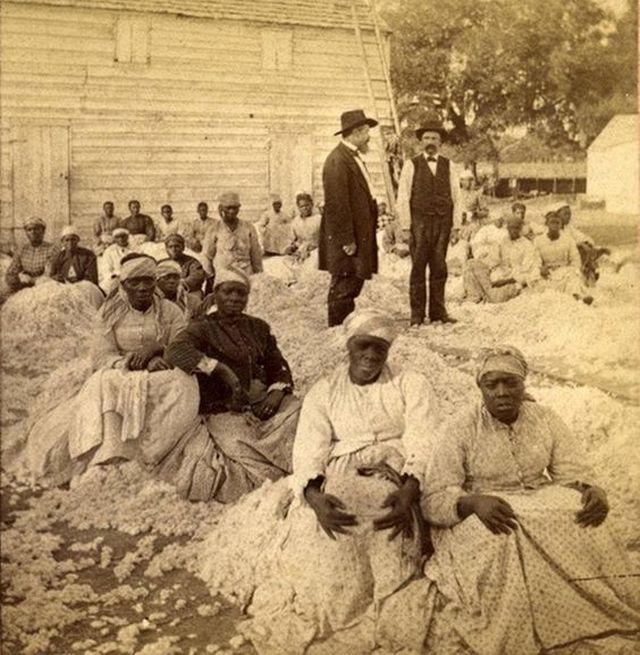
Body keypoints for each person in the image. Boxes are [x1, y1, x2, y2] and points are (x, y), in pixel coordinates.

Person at [200, 311, 441, 654]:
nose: (371, 355)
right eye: (363, 345)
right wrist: (313, 496)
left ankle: (386, 595)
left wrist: (409, 489)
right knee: (334, 530)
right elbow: (309, 449)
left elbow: (424, 438)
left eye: (380, 348)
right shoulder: (325, 391)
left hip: (398, 471)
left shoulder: (411, 383)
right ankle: (345, 602)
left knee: (386, 521)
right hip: (342, 472)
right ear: (349, 346)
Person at [421, 346, 640, 654]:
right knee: (500, 536)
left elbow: (573, 470)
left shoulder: (545, 418)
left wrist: (592, 489)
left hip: (536, 500)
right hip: (478, 512)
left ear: (524, 383)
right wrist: (473, 503)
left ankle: (581, 618)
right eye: (492, 384)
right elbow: (434, 498)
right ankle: (522, 630)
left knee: (588, 520)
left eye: (511, 383)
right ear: (479, 387)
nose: (502, 392)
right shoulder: (460, 427)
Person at [26, 255, 193, 487]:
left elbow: (184, 345)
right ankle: (112, 453)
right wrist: (136, 362)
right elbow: (102, 356)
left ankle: (156, 454)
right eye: (135, 282)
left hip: (161, 372)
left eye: (148, 280)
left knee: (183, 383)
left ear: (155, 282)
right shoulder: (109, 312)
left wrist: (157, 350)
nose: (143, 287)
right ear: (123, 286)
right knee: (105, 382)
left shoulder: (170, 310)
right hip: (121, 372)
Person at [166, 266, 300, 502]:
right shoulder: (203, 327)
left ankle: (300, 468)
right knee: (244, 449)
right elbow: (176, 350)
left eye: (241, 293)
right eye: (228, 292)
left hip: (262, 403)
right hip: (224, 409)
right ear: (215, 294)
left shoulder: (258, 327)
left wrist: (275, 395)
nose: (235, 298)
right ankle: (277, 482)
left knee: (299, 412)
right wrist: (218, 369)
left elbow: (277, 363)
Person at [396, 121, 462, 325]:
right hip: (419, 224)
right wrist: (406, 226)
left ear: (440, 142)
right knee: (418, 267)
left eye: (434, 138)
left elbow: (457, 197)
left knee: (439, 267)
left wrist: (456, 226)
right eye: (426, 138)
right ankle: (417, 314)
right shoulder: (411, 164)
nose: (430, 142)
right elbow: (403, 197)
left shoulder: (449, 165)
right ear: (421, 141)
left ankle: (438, 312)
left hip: (442, 223)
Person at [320, 109, 379, 327]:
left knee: (352, 285)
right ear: (356, 131)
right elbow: (336, 205)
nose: (369, 136)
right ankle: (337, 331)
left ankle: (344, 328)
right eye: (366, 132)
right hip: (348, 240)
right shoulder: (338, 160)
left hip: (357, 236)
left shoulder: (352, 158)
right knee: (344, 286)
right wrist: (347, 240)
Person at [464, 214, 541, 303]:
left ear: (520, 229)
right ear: (507, 228)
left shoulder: (527, 245)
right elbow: (493, 259)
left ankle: (485, 294)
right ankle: (477, 295)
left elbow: (527, 269)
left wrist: (505, 281)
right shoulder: (503, 241)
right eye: (510, 228)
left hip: (514, 278)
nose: (513, 231)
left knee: (496, 296)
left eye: (516, 228)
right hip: (500, 273)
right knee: (471, 264)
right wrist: (483, 265)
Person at [535, 211, 593, 304]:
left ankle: (577, 296)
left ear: (561, 224)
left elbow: (575, 259)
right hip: (547, 272)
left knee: (573, 275)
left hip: (564, 271)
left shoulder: (568, 240)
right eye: (552, 222)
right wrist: (540, 268)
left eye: (557, 223)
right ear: (547, 224)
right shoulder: (538, 240)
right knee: (535, 279)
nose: (554, 225)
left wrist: (572, 269)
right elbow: (534, 258)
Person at [202, 191, 262, 278]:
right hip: (223, 275)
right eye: (228, 208)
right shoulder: (214, 228)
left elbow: (256, 254)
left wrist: (258, 275)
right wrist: (210, 276)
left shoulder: (248, 227)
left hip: (246, 274)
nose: (232, 211)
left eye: (235, 208)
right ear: (221, 208)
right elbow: (206, 256)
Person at [555, 202, 609, 286]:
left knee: (587, 247)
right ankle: (588, 275)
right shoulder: (554, 229)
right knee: (582, 250)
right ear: (557, 215)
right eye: (565, 214)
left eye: (570, 214)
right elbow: (564, 242)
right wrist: (580, 244)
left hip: (572, 252)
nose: (569, 216)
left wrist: (587, 243)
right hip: (561, 255)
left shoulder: (568, 227)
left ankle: (591, 274)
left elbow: (581, 236)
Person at [49, 226, 104, 308]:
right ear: (62, 242)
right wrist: (57, 278)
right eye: (67, 240)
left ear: (78, 240)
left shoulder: (88, 255)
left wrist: (77, 283)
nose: (70, 242)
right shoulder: (58, 257)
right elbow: (52, 275)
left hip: (84, 288)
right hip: (64, 287)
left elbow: (92, 278)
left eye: (73, 239)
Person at [5, 217, 59, 294]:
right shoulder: (22, 250)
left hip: (44, 288)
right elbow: (11, 273)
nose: (33, 232)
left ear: (43, 231)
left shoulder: (51, 249)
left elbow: (49, 273)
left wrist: (31, 280)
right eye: (29, 230)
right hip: (23, 287)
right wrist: (16, 281)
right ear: (26, 233)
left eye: (36, 229)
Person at [164, 233, 206, 299]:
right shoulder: (163, 263)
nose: (174, 250)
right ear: (166, 249)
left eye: (177, 246)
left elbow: (196, 278)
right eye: (170, 247)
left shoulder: (192, 262)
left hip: (188, 293)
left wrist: (179, 284)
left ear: (183, 247)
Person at [289, 192, 322, 260]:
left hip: (316, 251)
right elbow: (293, 239)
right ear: (298, 207)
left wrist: (312, 247)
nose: (305, 208)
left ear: (312, 204)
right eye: (302, 206)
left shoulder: (319, 219)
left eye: (307, 205)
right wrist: (293, 247)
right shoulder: (295, 221)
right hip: (300, 251)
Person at [99, 227, 132, 293]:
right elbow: (106, 269)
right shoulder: (109, 251)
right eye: (118, 237)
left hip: (132, 276)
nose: (121, 239)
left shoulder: (135, 248)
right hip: (116, 278)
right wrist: (114, 276)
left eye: (123, 236)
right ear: (115, 239)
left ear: (127, 237)